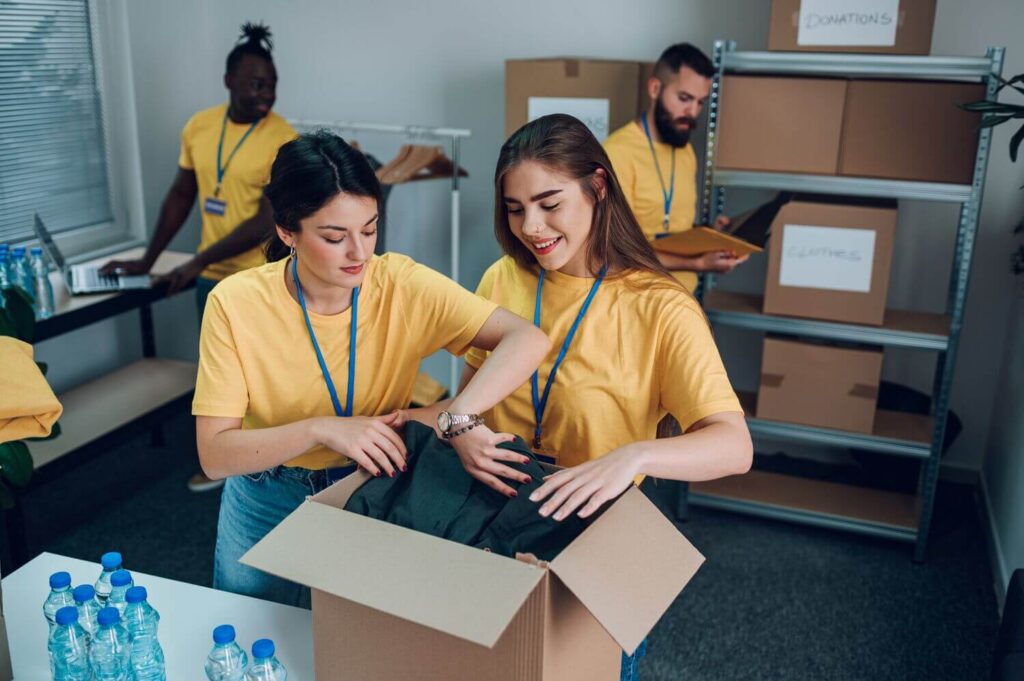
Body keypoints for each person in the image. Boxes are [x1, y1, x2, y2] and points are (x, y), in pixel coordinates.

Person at [192, 131, 551, 607]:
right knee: (252, 632)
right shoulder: (235, 303)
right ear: (286, 231)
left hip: (370, 487)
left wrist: (457, 416)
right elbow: (214, 455)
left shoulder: (400, 283)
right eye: (334, 237)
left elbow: (528, 338)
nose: (360, 254)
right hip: (266, 493)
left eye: (369, 229)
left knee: (354, 642)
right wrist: (323, 430)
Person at [462, 114, 752, 679]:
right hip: (495, 513)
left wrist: (635, 456)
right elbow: (468, 398)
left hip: (594, 529)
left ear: (598, 187)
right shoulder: (503, 277)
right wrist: (460, 426)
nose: (531, 227)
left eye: (549, 203)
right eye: (515, 209)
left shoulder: (662, 307)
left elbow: (734, 445)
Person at [101, 22, 297, 493]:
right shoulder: (200, 126)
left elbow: (266, 218)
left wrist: (192, 261)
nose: (264, 93)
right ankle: (225, 461)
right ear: (228, 80)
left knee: (265, 381)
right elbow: (181, 194)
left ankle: (265, 470)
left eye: (270, 84)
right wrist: (150, 260)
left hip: (262, 277)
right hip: (212, 281)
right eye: (254, 83)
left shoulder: (282, 138)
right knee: (222, 381)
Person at [604, 42, 749, 292]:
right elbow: (615, 249)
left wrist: (711, 237)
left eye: (700, 102)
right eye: (684, 98)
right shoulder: (616, 153)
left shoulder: (686, 152)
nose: (692, 112)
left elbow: (671, 228)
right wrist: (698, 263)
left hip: (682, 301)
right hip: (636, 304)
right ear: (654, 88)